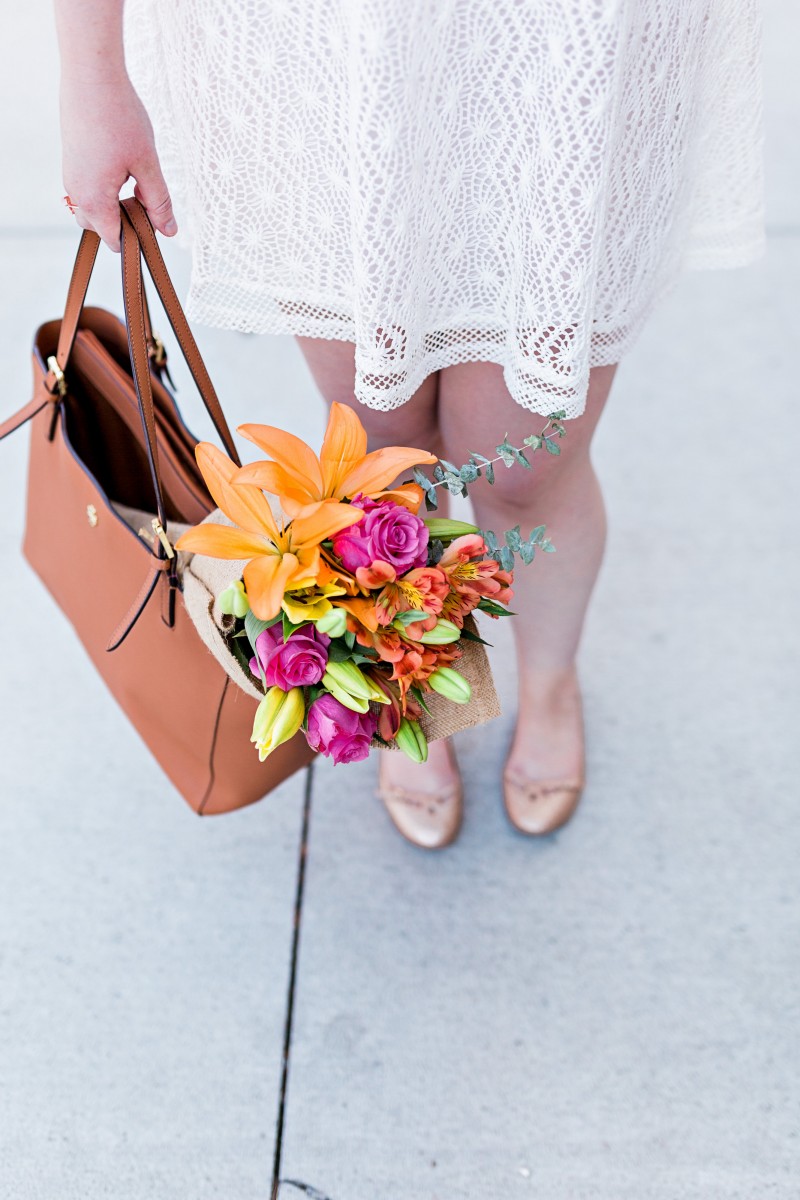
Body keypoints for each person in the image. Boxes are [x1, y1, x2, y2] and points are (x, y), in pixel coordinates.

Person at [55, 0, 764, 849]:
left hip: (562, 43)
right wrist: (91, 75)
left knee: (526, 469)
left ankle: (548, 683)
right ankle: (413, 685)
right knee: (382, 451)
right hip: (334, 47)